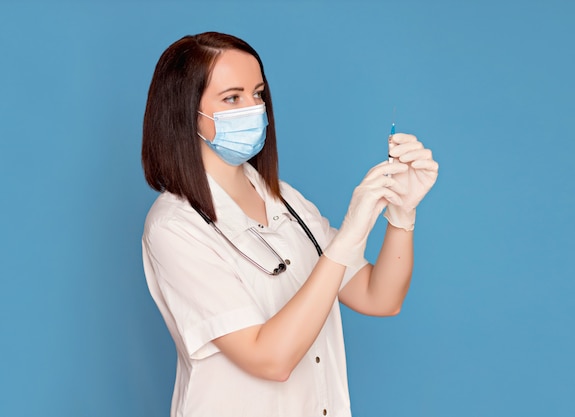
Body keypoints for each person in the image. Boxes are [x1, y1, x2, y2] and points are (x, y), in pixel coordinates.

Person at [141, 31, 438, 417]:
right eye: (232, 97)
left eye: (258, 93)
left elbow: (379, 297)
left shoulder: (285, 199)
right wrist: (346, 237)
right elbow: (270, 359)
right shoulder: (174, 227)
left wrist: (401, 214)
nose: (253, 108)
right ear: (185, 112)